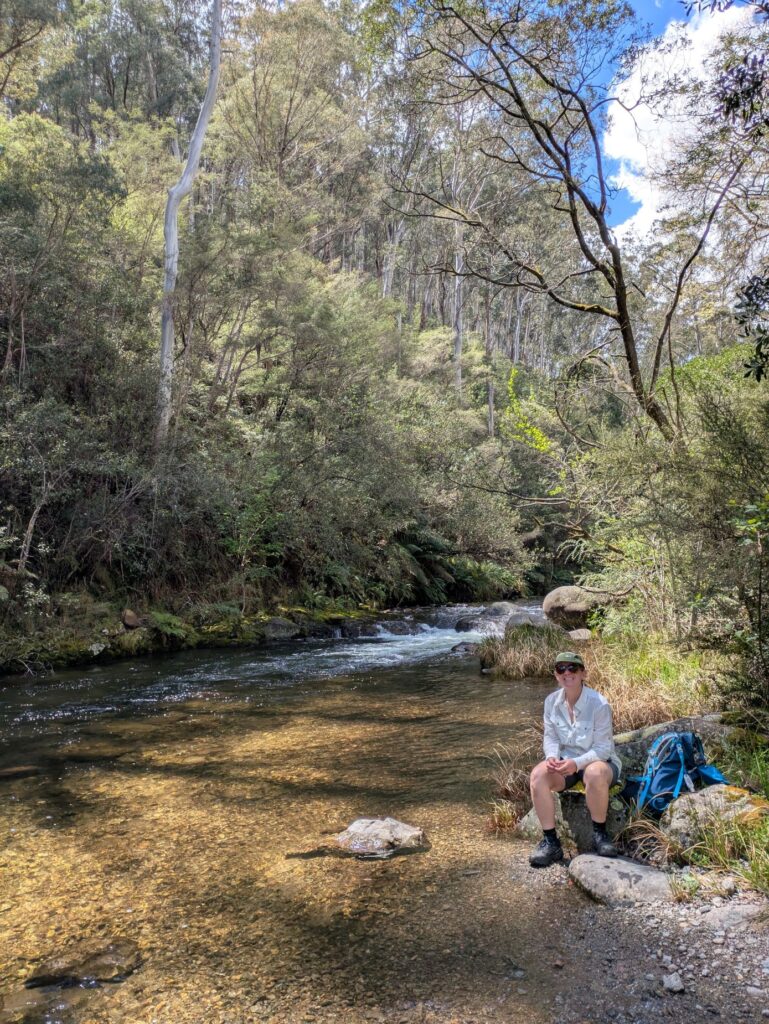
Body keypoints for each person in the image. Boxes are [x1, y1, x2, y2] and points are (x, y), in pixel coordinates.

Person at [528, 651, 622, 867]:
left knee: (594, 772)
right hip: (566, 763)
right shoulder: (551, 702)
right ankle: (551, 843)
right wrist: (552, 758)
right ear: (556, 675)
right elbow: (550, 737)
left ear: (583, 674)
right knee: (538, 775)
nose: (567, 673)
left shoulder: (599, 703)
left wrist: (576, 764)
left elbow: (603, 749)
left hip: (601, 764)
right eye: (561, 669)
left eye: (573, 668)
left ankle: (600, 835)